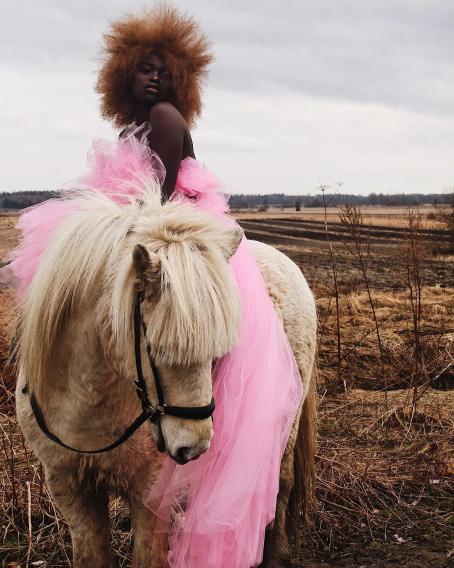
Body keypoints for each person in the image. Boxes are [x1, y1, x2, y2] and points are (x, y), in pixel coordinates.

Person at [7, 5, 303, 567]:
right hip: (141, 229)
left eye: (163, 70)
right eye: (143, 68)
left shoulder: (166, 119)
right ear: (121, 74)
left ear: (179, 79)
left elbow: (158, 202)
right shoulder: (131, 127)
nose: (154, 78)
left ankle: (194, 416)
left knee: (186, 328)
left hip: (172, 235)